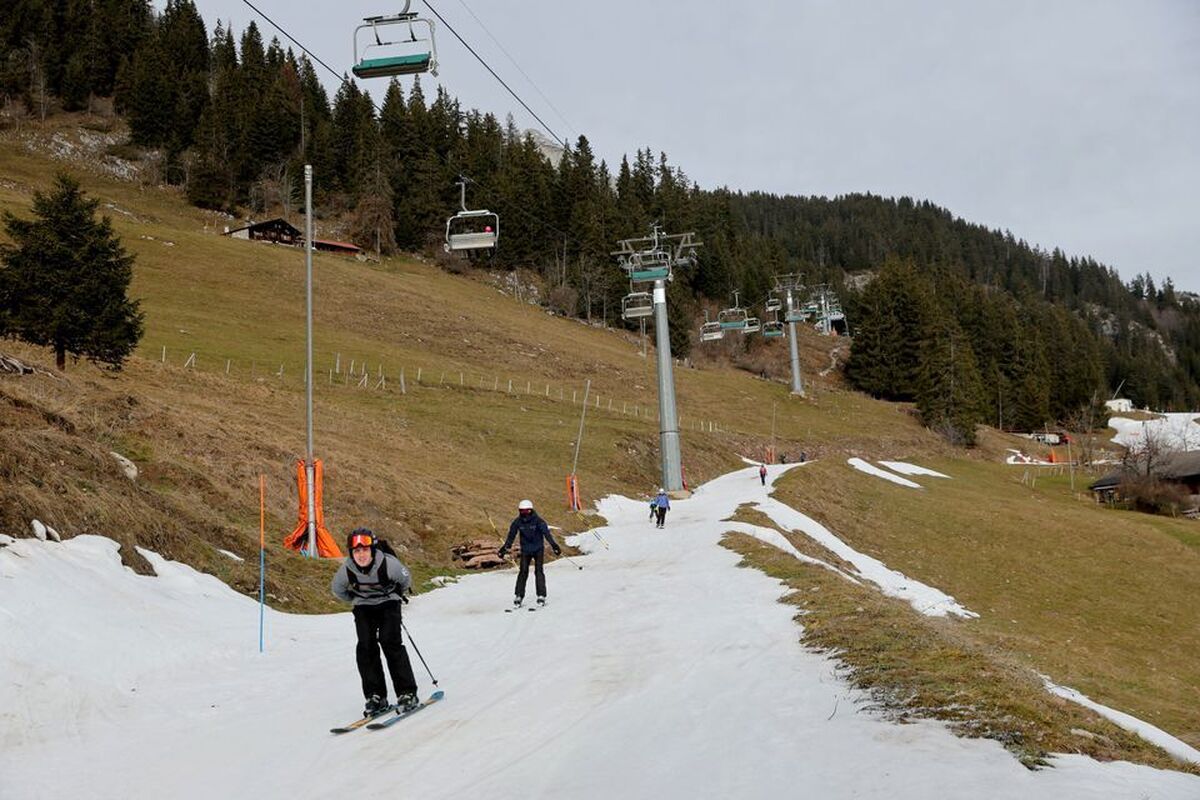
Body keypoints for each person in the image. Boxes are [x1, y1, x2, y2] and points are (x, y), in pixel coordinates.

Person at [330, 527, 419, 717]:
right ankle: (376, 696)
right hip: (363, 606)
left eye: (364, 550)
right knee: (366, 646)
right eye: (356, 551)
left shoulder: (389, 564)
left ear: (372, 549)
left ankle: (407, 693)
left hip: (389, 603)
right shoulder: (347, 570)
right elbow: (338, 590)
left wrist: (394, 595)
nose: (361, 555)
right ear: (351, 553)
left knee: (390, 642)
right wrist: (358, 599)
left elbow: (405, 580)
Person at [498, 500, 561, 607]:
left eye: (525, 511)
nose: (523, 513)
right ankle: (519, 595)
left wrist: (554, 546)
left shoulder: (539, 521)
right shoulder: (517, 522)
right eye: (521, 511)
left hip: (538, 550)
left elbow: (547, 534)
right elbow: (511, 536)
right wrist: (504, 548)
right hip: (526, 550)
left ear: (530, 510)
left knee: (539, 571)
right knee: (523, 571)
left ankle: (541, 595)